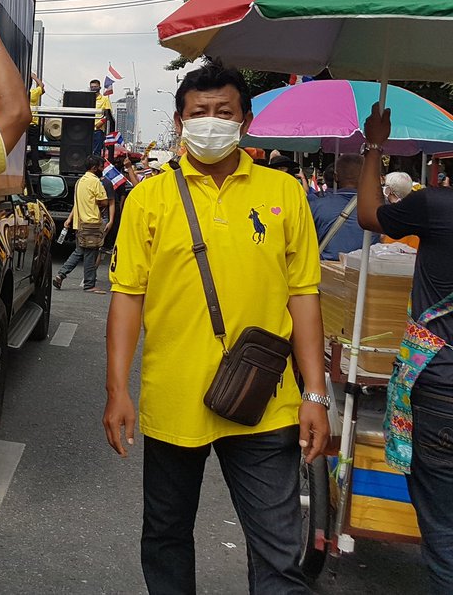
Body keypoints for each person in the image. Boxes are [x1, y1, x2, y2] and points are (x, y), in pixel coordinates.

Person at [104, 61, 328, 595]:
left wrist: (315, 393)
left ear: (245, 120)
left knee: (277, 548)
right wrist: (117, 390)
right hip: (173, 398)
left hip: (265, 400)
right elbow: (127, 299)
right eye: (198, 113)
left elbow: (304, 298)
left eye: (223, 112)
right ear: (180, 123)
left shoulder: (286, 193)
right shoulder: (148, 199)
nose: (211, 122)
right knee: (165, 535)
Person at [356, 104, 453, 593]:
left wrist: (375, 144)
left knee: (444, 534)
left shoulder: (437, 206)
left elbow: (370, 215)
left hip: (442, 389)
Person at [52, 153, 112, 293]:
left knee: (79, 251)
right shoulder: (95, 182)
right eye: (101, 166)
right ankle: (89, 284)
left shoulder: (80, 181)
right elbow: (104, 201)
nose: (102, 168)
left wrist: (70, 219)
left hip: (80, 223)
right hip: (91, 223)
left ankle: (61, 274)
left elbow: (77, 203)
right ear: (94, 167)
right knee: (90, 254)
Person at [309, 154, 379, 261]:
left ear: (336, 177)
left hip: (325, 270)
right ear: (366, 176)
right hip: (364, 272)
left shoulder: (316, 206)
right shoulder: (378, 208)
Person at [90, 78, 114, 155]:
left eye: (95, 87)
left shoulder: (104, 99)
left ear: (99, 88)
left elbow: (108, 114)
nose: (93, 88)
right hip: (86, 129)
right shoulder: (87, 98)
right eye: (92, 87)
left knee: (96, 152)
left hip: (98, 130)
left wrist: (101, 122)